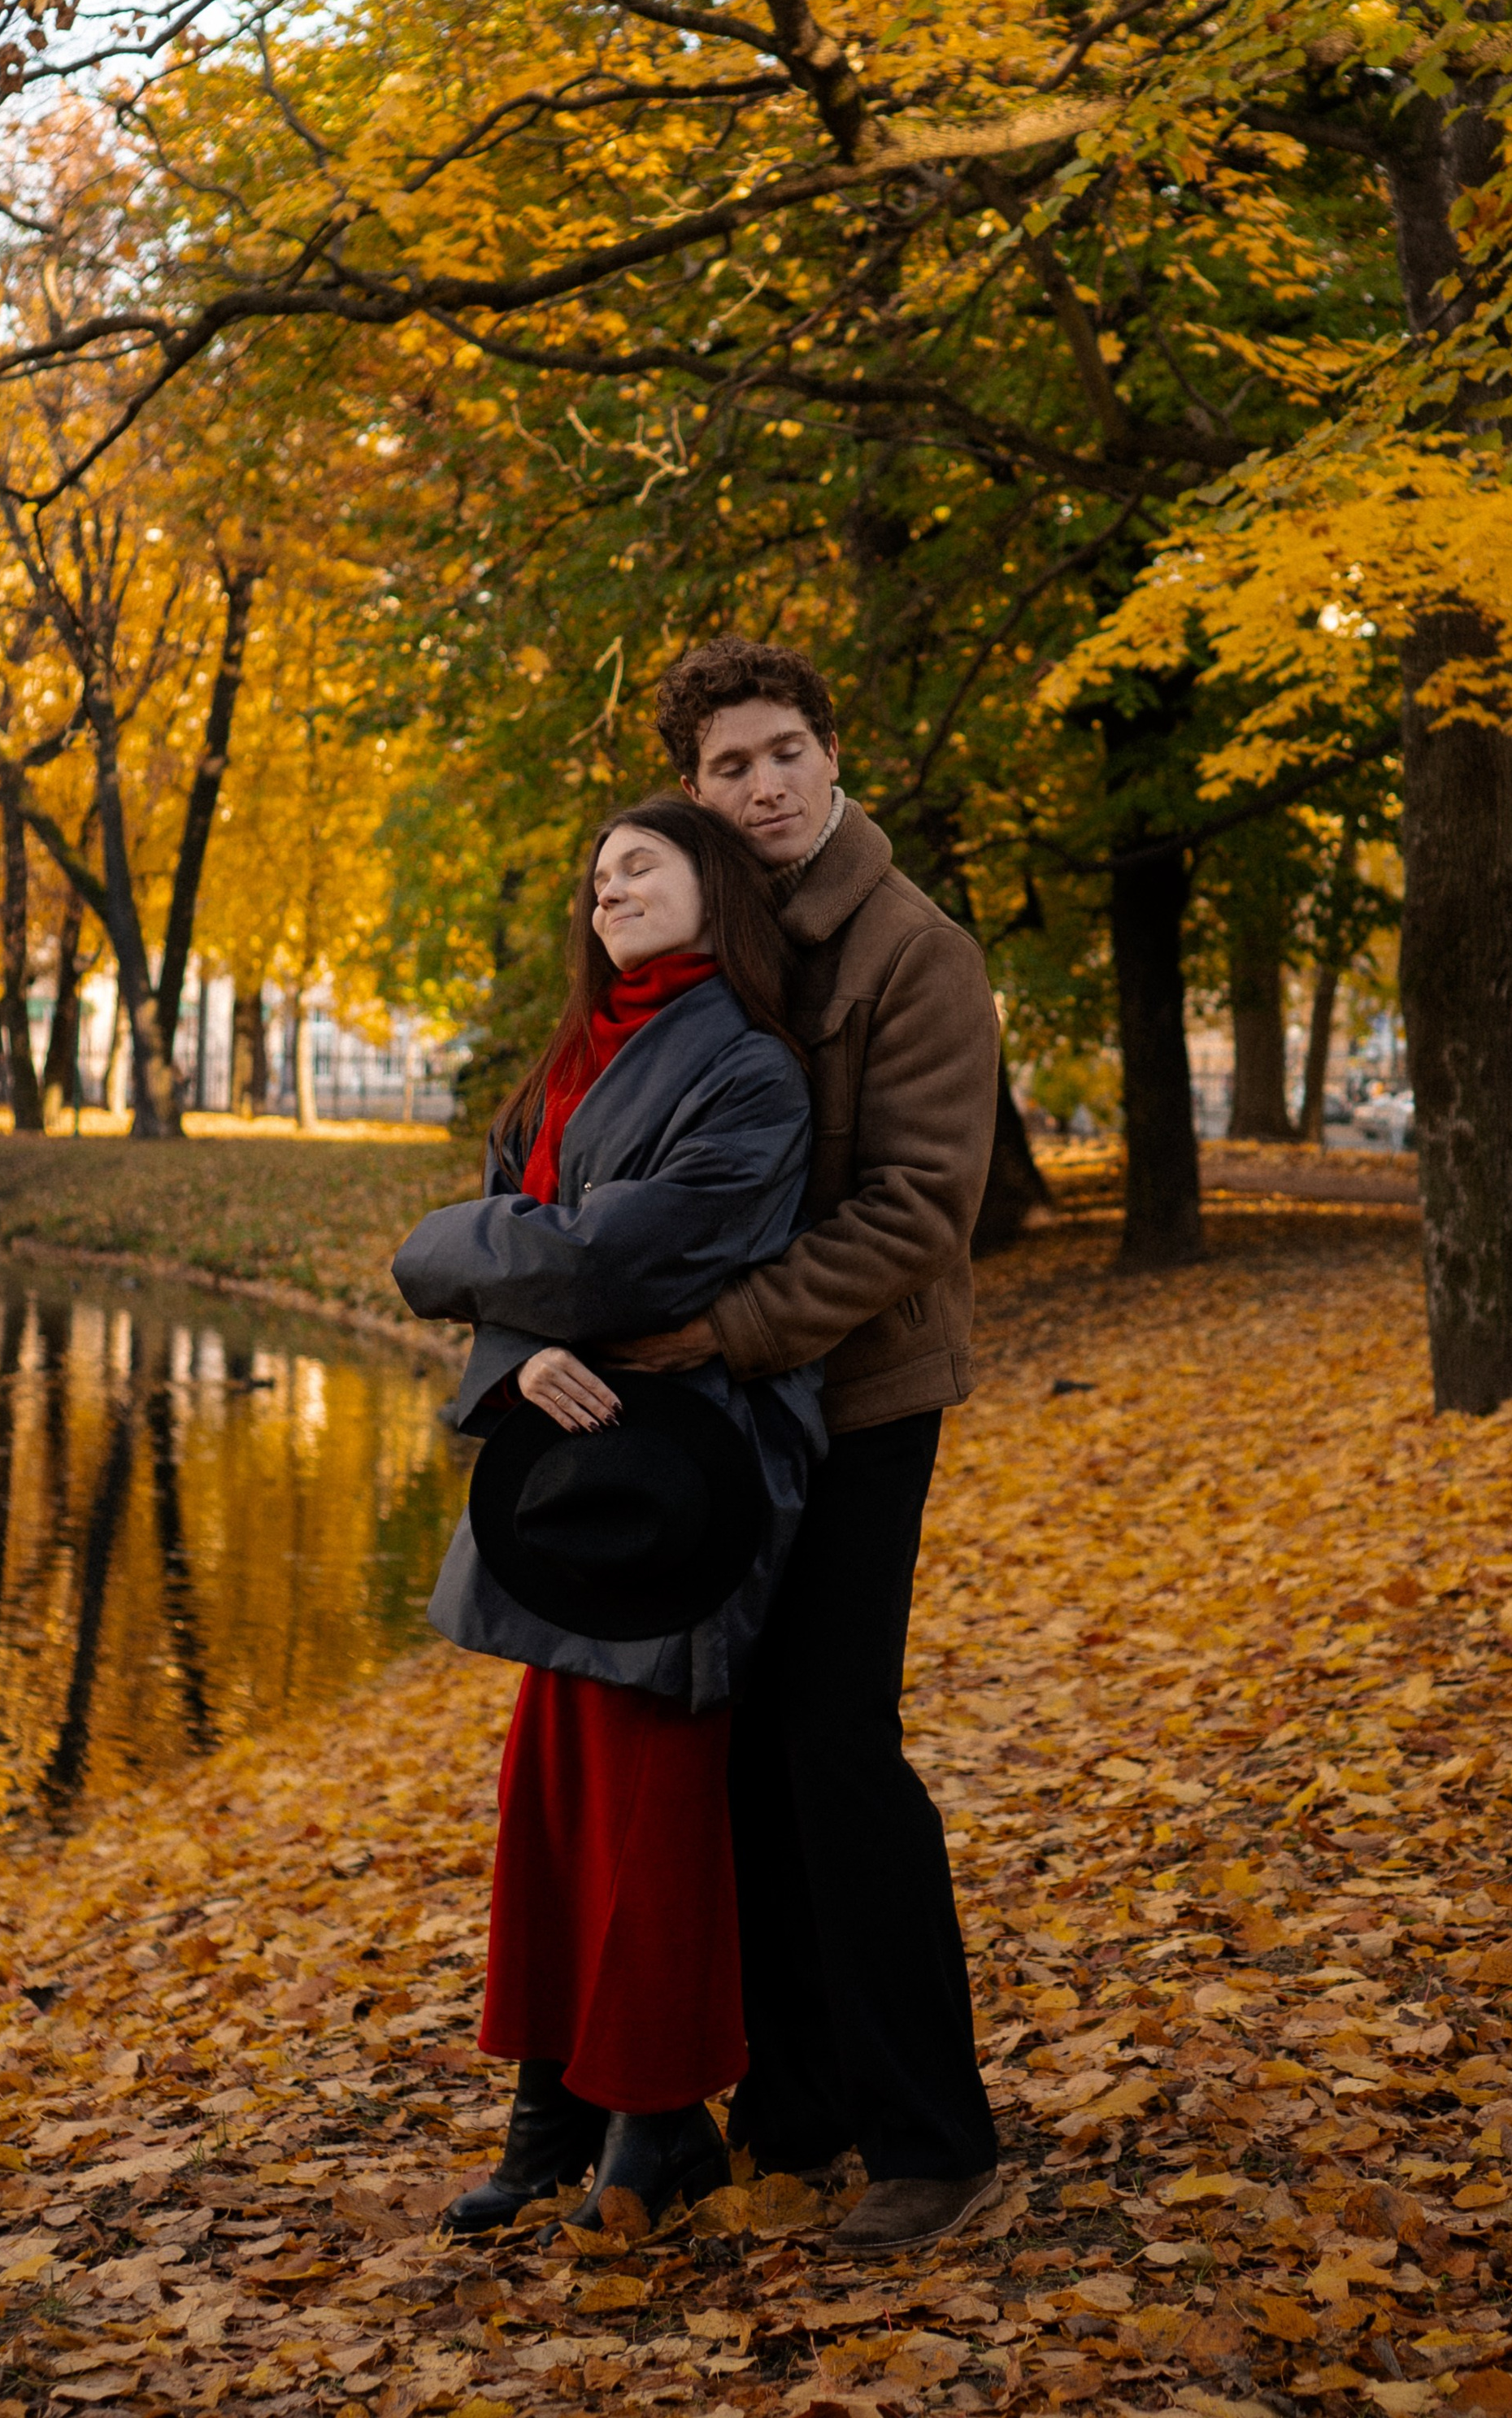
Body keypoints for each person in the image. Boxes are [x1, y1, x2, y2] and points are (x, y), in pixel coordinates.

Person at [610, 638, 1003, 2258]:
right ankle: (796, 2114)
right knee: (747, 1764)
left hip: (856, 1399)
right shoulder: (723, 933)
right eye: (727, 768)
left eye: (783, 754)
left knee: (835, 1754)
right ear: (693, 789)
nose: (760, 787)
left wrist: (719, 1329)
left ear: (833, 757)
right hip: (730, 1419)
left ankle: (937, 2137)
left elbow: (915, 1210)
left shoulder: (913, 951)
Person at [391, 798, 823, 2237]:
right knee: (551, 1802)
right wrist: (519, 1349)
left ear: (717, 887)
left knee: (648, 1807)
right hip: (571, 1460)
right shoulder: (577, 1059)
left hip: (684, 1481)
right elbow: (487, 1250)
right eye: (595, 877)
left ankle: (659, 2119)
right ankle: (551, 2112)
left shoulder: (752, 1074)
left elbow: (606, 1261)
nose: (609, 887)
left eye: (640, 863)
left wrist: (502, 1280)